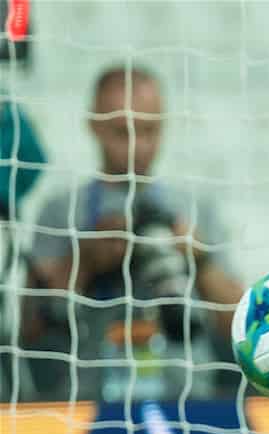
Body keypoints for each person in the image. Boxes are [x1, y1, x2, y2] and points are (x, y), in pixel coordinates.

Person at [19, 65, 243, 402]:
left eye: (150, 130)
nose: (139, 145)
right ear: (94, 127)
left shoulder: (194, 208)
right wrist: (86, 261)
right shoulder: (62, 209)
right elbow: (29, 328)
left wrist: (201, 261)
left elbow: (243, 331)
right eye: (123, 132)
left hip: (189, 403)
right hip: (87, 403)